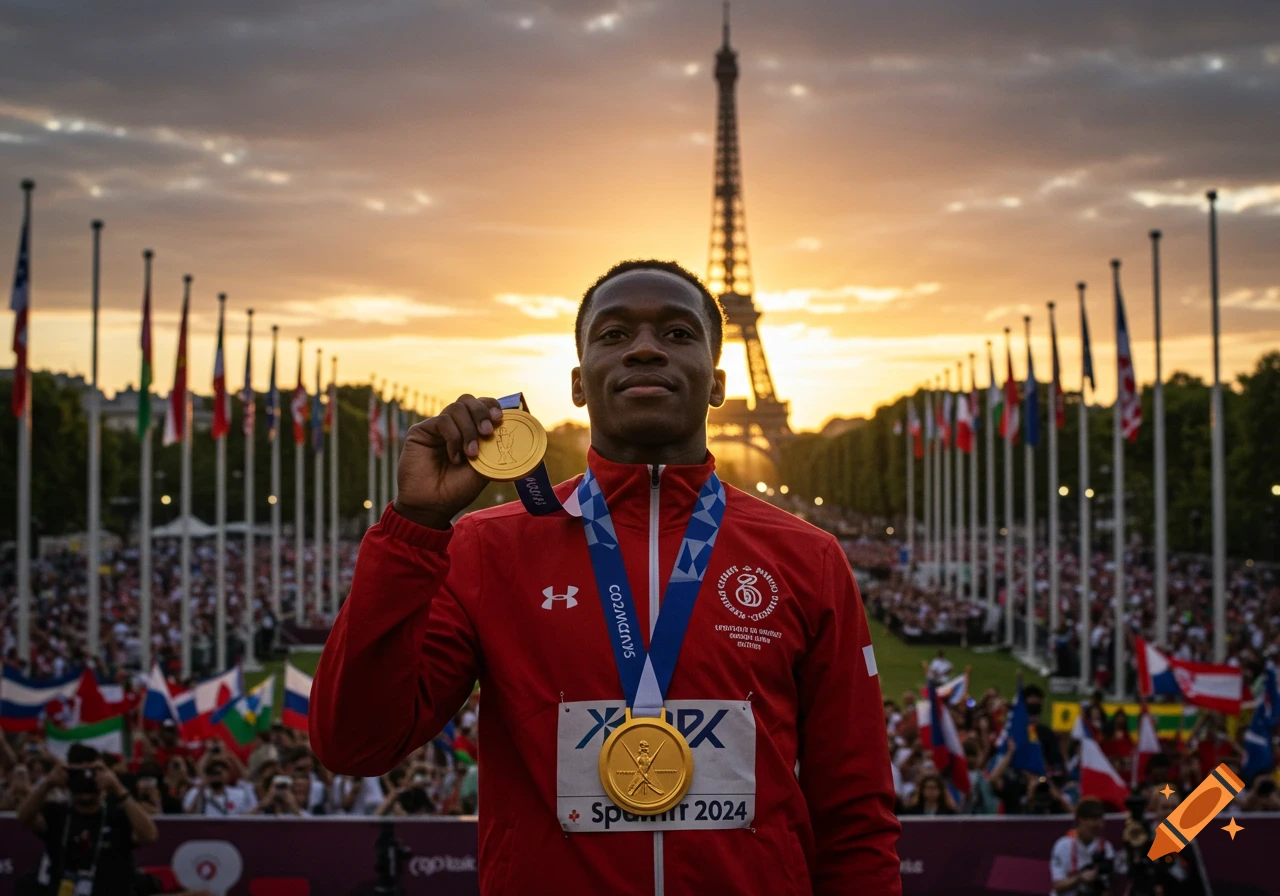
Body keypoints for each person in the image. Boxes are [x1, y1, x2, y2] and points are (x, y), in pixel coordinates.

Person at [311, 260, 902, 894]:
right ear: (577, 384)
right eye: (614, 334)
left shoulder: (807, 557)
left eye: (677, 333)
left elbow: (855, 812)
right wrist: (413, 527)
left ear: (717, 383)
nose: (645, 348)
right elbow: (354, 744)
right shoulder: (485, 549)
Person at [15, 743, 158, 894]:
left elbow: (149, 836)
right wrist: (48, 783)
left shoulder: (118, 815)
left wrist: (118, 788)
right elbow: (24, 818)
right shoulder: (57, 813)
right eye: (78, 775)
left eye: (90, 774)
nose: (85, 782)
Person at [1049, 797, 1125, 895]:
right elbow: (1057, 886)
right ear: (1080, 820)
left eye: (1099, 822)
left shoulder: (1106, 847)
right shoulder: (1062, 846)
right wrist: (1080, 878)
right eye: (1092, 825)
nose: (1097, 826)